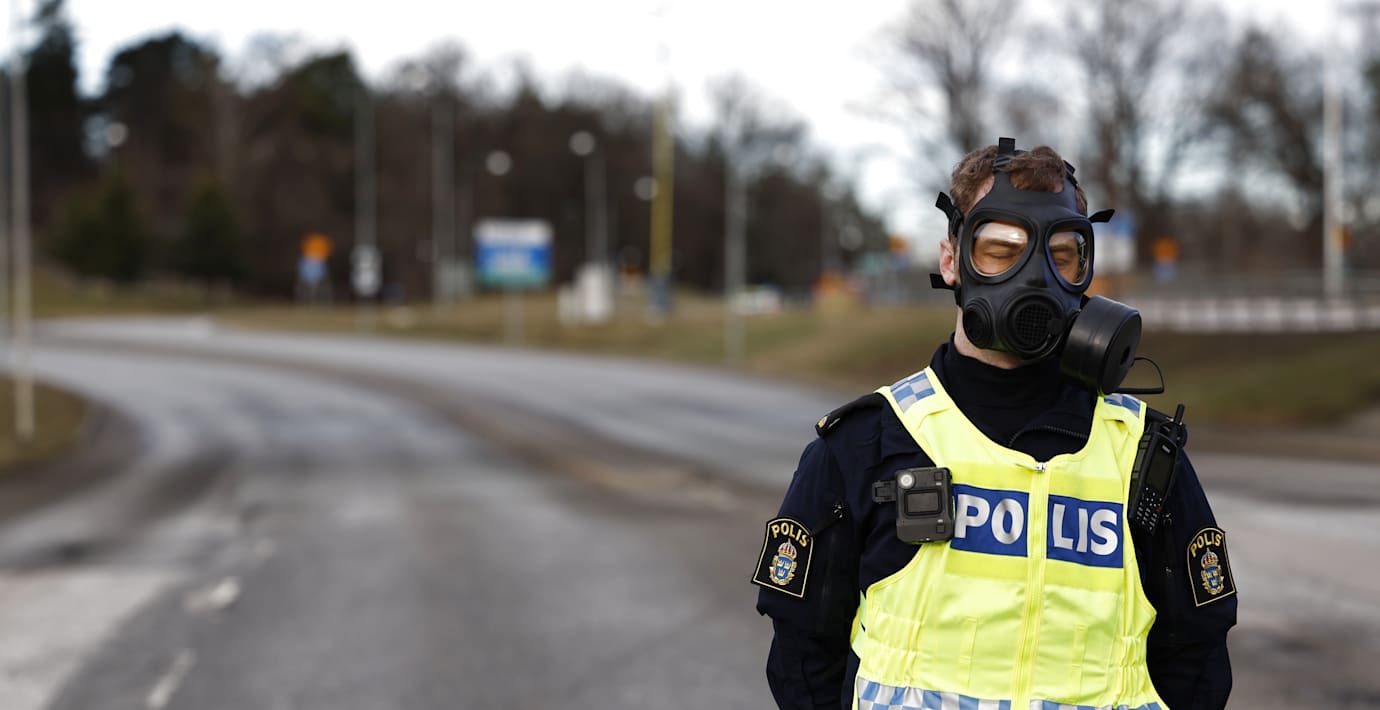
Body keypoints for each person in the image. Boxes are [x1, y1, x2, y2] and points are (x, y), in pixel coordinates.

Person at [752, 138, 1235, 710]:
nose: (1036, 277)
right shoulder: (867, 443)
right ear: (951, 260)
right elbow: (803, 661)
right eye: (1002, 250)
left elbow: (1197, 664)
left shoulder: (1143, 456)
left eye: (1061, 255)